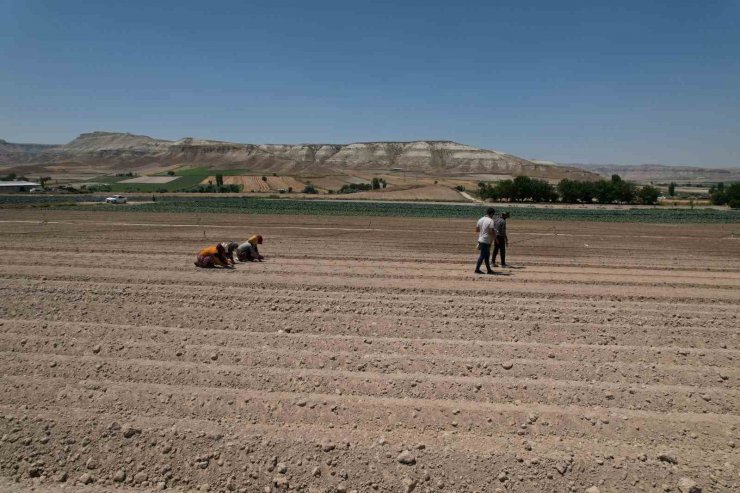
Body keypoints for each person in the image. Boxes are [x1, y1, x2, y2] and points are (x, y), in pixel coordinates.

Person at [474, 207, 496, 274]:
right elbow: (491, 231)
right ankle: (477, 269)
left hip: (480, 239)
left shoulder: (480, 219)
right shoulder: (490, 221)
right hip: (486, 240)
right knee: (483, 255)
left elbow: (477, 230)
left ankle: (489, 270)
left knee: (487, 255)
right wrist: (495, 238)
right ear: (492, 214)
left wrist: (483, 230)